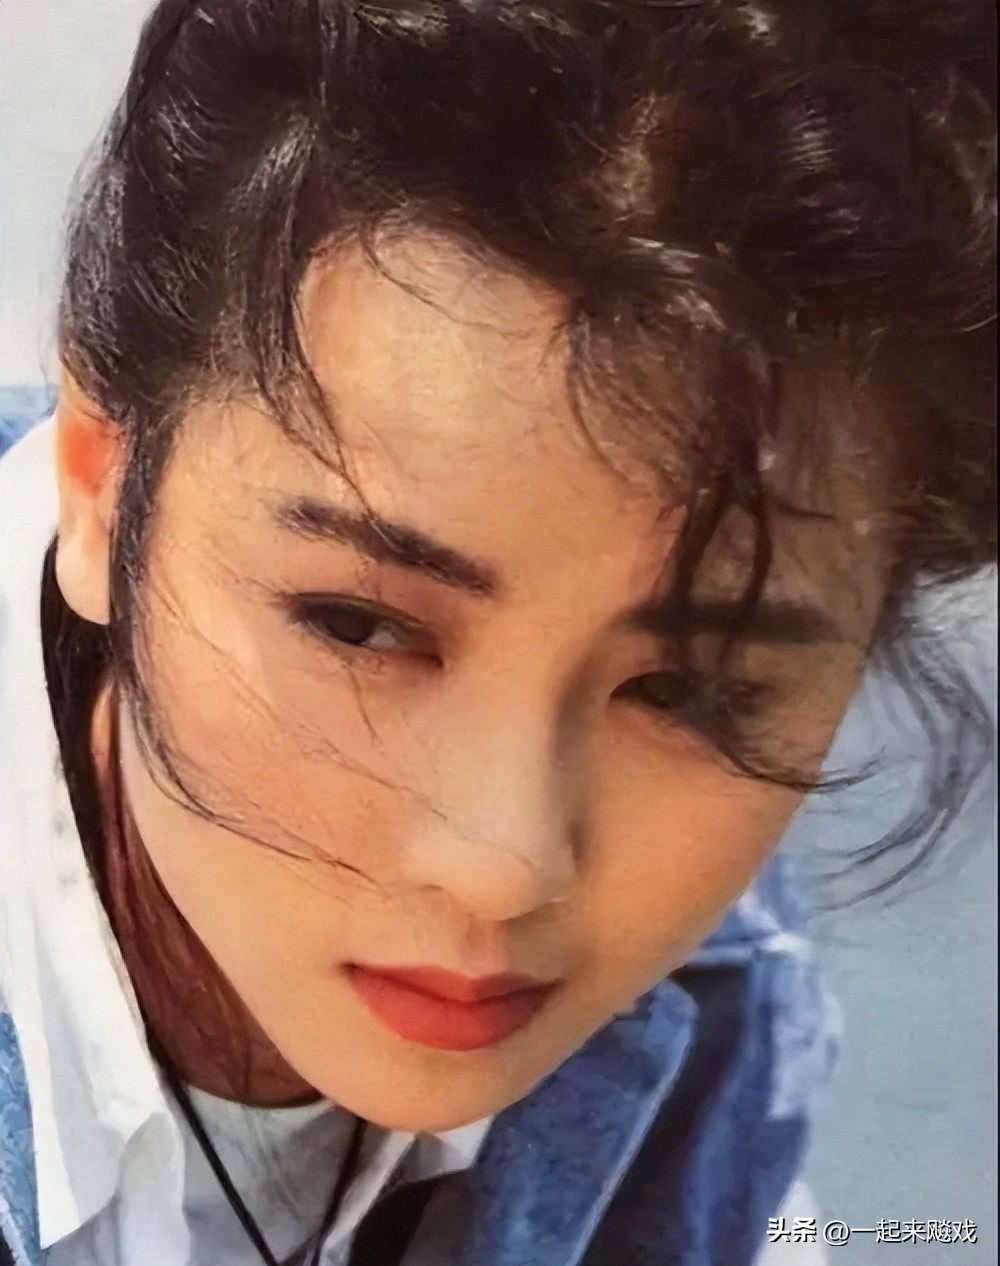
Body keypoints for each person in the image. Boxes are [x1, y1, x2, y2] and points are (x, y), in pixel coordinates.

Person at [0, 2, 994, 1264]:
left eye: (686, 693)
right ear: (99, 478)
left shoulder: (723, 1008)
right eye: (358, 626)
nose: (504, 866)